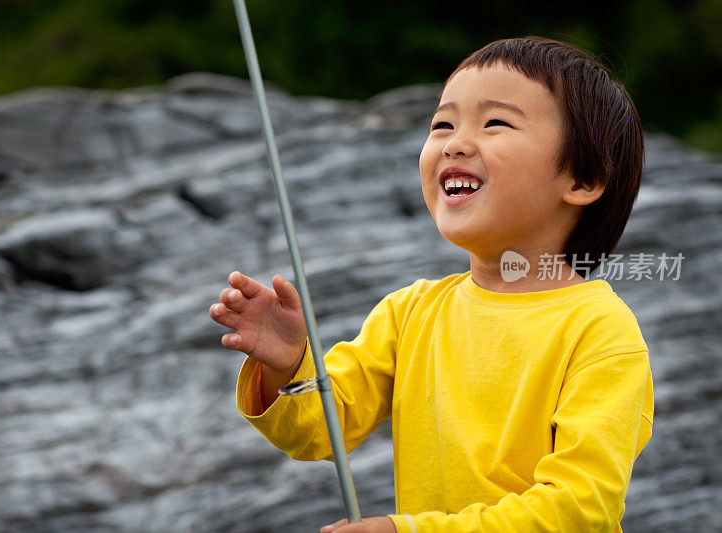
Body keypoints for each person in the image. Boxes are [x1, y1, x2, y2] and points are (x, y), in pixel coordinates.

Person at [209, 36, 654, 532]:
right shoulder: (410, 313)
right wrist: (287, 363)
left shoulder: (600, 332)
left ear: (582, 177)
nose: (455, 142)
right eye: (443, 123)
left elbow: (580, 509)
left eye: (496, 123)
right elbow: (318, 430)